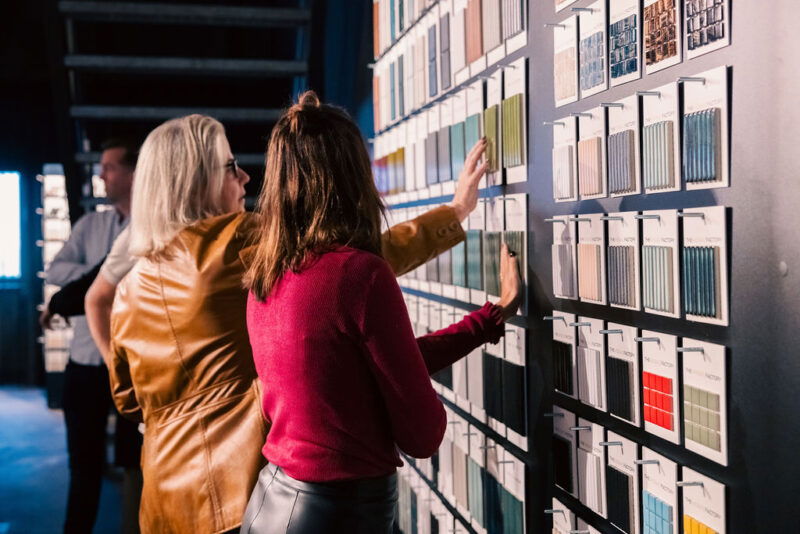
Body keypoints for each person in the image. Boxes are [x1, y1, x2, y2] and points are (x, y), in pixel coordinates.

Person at [105, 113, 488, 534]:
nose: (246, 178)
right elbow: (351, 262)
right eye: (231, 166)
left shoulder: (129, 288)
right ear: (195, 181)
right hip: (238, 492)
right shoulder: (237, 244)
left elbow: (126, 400)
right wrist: (454, 212)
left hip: (163, 501)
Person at [240, 92, 522, 534]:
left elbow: (364, 369)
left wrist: (486, 321)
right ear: (354, 175)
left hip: (271, 504)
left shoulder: (266, 277)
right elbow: (423, 434)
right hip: (343, 514)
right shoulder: (358, 274)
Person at [42, 138, 143, 534]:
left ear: (133, 174)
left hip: (132, 365)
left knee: (136, 467)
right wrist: (99, 279)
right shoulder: (90, 224)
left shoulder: (150, 228)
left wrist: (92, 279)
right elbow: (55, 271)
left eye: (110, 167)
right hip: (85, 362)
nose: (101, 174)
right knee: (82, 469)